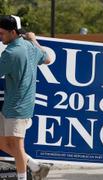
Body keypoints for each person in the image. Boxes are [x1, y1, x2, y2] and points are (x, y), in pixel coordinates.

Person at [0, 15, 51, 180]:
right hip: (14, 106)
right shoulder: (30, 46)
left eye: (2, 33)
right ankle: (36, 167)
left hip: (17, 107)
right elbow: (47, 58)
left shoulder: (10, 53)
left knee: (17, 146)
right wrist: (34, 40)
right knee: (3, 143)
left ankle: (23, 178)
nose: (0, 37)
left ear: (13, 32)